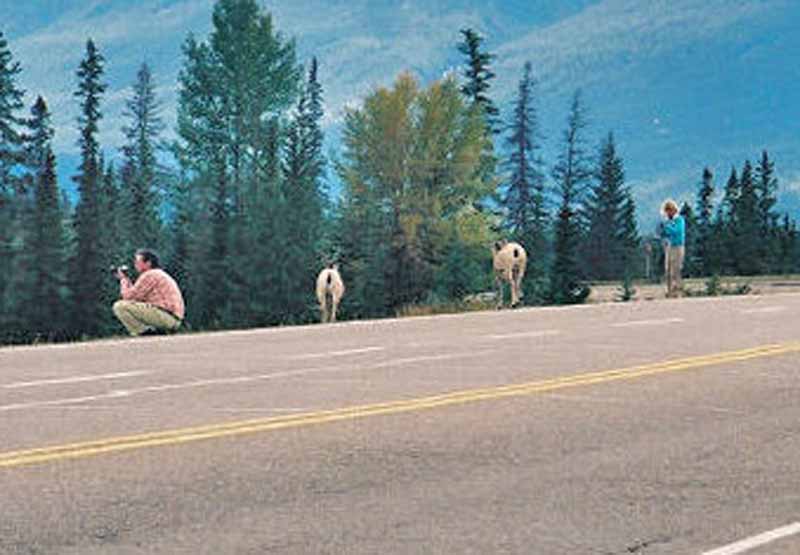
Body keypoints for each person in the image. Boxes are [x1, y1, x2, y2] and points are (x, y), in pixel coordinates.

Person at [112, 249, 185, 336]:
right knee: (127, 305)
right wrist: (127, 280)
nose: (135, 264)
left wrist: (123, 279)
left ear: (148, 263)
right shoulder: (158, 274)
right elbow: (137, 297)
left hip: (166, 317)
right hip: (172, 318)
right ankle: (155, 332)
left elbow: (128, 297)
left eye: (138, 261)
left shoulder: (149, 274)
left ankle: (145, 333)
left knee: (119, 307)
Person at [660, 200, 686, 298]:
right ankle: (669, 291)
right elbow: (665, 233)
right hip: (669, 246)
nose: (667, 213)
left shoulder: (679, 220)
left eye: (668, 211)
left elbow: (676, 231)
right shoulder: (669, 221)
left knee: (676, 269)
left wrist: (667, 227)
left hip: (678, 246)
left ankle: (677, 291)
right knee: (668, 269)